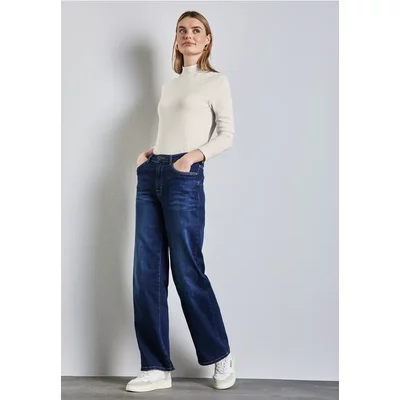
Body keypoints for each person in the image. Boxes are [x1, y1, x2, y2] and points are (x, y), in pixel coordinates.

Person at [126, 10, 236, 393]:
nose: (188, 35)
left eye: (196, 30)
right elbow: (171, 128)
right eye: (182, 30)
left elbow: (226, 134)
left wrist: (192, 157)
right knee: (146, 273)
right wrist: (149, 156)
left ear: (207, 40)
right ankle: (156, 367)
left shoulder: (215, 81)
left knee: (188, 271)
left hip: (184, 177)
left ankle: (221, 355)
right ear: (176, 39)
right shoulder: (169, 86)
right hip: (152, 174)